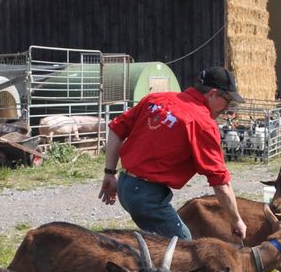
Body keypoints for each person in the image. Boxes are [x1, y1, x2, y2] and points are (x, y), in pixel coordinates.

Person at [98, 66, 247, 241]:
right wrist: (236, 220)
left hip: (126, 185)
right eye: (227, 101)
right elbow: (221, 182)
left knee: (160, 244)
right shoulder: (202, 123)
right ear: (212, 93)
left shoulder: (156, 99)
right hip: (147, 196)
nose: (227, 108)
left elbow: (116, 129)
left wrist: (110, 172)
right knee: (183, 249)